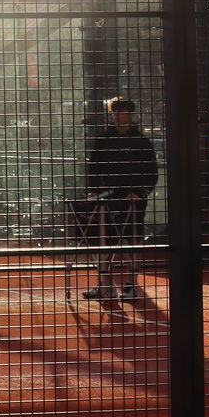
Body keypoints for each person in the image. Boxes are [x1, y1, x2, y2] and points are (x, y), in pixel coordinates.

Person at [81, 96, 158, 301]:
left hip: (133, 199)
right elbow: (94, 167)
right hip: (109, 198)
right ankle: (105, 286)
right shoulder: (104, 139)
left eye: (121, 112)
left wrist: (140, 192)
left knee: (132, 241)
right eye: (114, 112)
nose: (116, 116)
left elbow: (151, 171)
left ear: (130, 115)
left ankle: (131, 286)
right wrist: (94, 191)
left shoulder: (141, 141)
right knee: (105, 241)